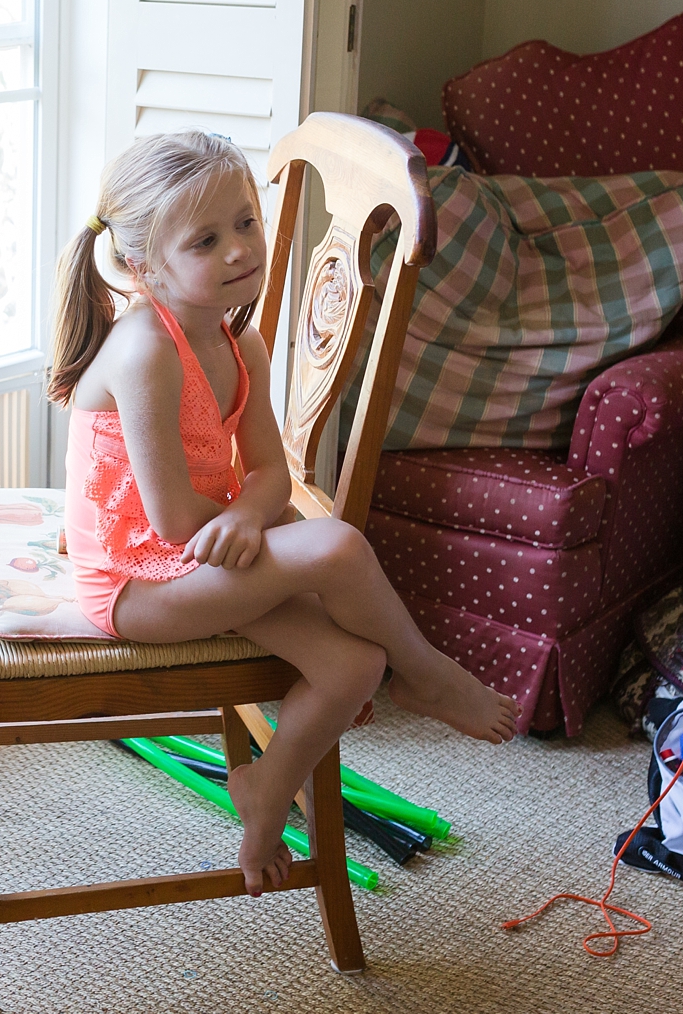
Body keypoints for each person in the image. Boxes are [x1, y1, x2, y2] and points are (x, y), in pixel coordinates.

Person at [51, 131, 518, 895]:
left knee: (354, 663)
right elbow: (169, 518)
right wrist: (253, 524)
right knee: (334, 549)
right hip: (136, 585)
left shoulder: (243, 343)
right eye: (206, 239)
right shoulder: (146, 351)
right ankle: (428, 672)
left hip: (202, 552)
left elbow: (269, 470)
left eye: (245, 222)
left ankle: (264, 794)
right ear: (144, 267)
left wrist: (253, 516)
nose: (240, 248)